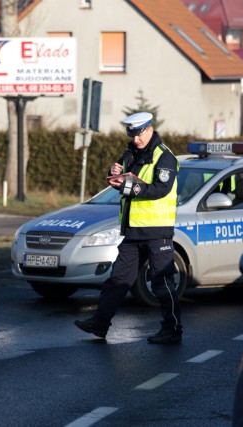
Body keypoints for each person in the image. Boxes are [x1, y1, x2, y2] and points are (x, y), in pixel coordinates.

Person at [74, 112, 183, 344]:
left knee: (162, 283)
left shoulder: (164, 157)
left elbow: (159, 190)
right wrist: (116, 175)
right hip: (133, 231)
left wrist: (130, 187)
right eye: (132, 134)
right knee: (117, 280)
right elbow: (126, 183)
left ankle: (172, 330)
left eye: (140, 133)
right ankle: (100, 323)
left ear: (150, 129)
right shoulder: (130, 153)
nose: (136, 139)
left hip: (157, 231)